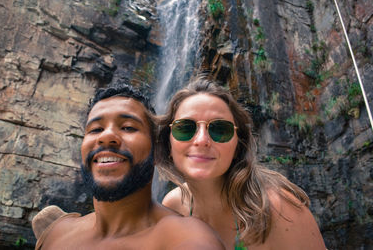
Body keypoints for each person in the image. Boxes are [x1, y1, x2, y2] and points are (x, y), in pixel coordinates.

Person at [32, 83, 224, 250]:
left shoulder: (188, 238)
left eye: (128, 127)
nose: (105, 136)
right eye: (95, 129)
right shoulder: (56, 234)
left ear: (157, 150)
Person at [156, 77, 327, 250]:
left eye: (220, 129)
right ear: (168, 143)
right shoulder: (173, 206)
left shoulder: (280, 210)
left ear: (238, 146)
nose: (201, 140)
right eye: (185, 128)